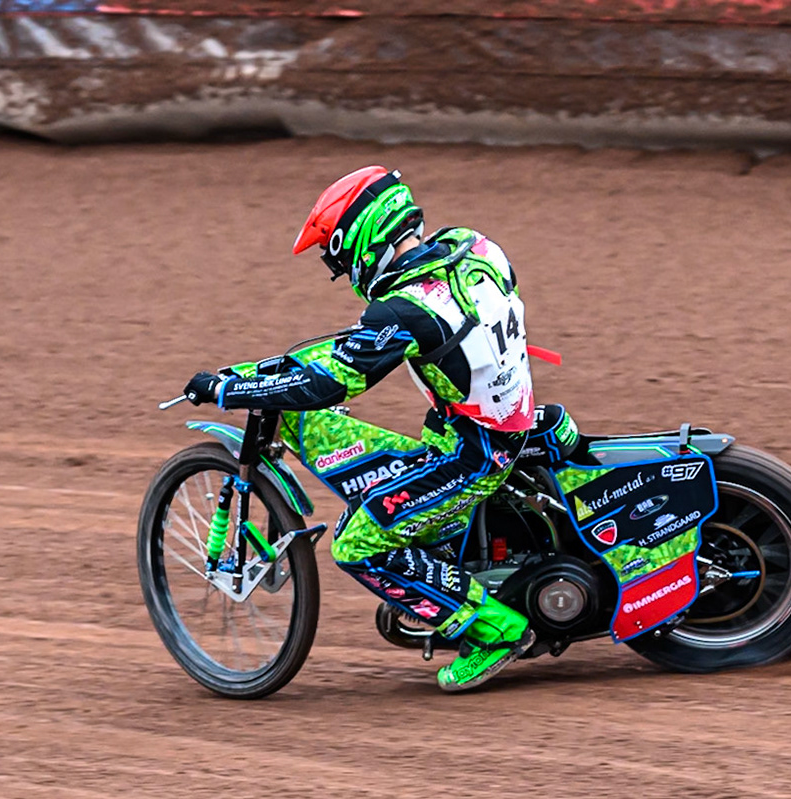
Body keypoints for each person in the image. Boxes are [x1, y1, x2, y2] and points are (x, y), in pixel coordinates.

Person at [183, 166, 538, 691]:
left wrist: (230, 391)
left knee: (355, 544)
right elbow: (351, 345)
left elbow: (333, 383)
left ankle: (496, 630)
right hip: (502, 417)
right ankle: (439, 563)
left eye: (337, 256)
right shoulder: (472, 246)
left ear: (361, 241)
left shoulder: (407, 309)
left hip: (472, 455)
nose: (340, 269)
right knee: (336, 439)